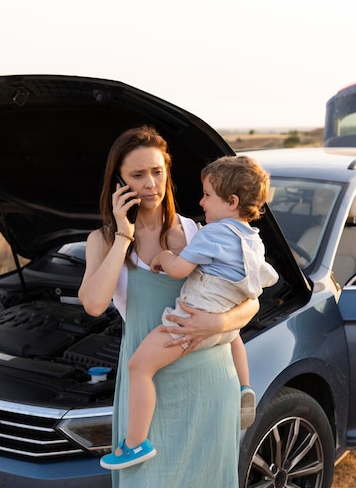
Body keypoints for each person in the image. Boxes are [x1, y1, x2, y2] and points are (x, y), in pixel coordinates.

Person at [78, 125, 259, 488]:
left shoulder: (202, 232)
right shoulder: (102, 240)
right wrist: (123, 237)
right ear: (119, 183)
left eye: (157, 172)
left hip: (207, 386)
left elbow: (250, 299)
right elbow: (94, 303)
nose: (151, 184)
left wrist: (217, 321)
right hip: (149, 396)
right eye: (137, 175)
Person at [100, 155, 278, 470]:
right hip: (224, 331)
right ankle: (244, 387)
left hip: (191, 321)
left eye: (208, 195)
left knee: (139, 367)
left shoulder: (212, 233)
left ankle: (134, 444)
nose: (201, 201)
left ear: (232, 201)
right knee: (233, 336)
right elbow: (260, 282)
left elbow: (180, 270)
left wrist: (165, 256)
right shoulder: (253, 240)